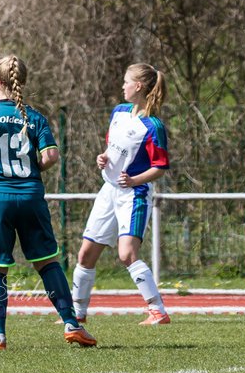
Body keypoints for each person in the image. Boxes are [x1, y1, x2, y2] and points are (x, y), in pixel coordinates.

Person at [0, 55, 96, 351]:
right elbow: (50, 157)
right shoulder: (34, 117)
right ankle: (71, 323)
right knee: (46, 261)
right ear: (24, 82)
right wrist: (32, 168)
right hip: (31, 196)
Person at [71, 64, 171, 325]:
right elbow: (112, 148)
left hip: (133, 194)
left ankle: (157, 310)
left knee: (127, 254)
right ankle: (76, 314)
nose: (122, 86)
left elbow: (160, 167)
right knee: (86, 254)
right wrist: (103, 158)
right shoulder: (119, 112)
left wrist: (136, 179)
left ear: (138, 86)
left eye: (126, 82)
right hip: (109, 191)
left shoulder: (152, 126)